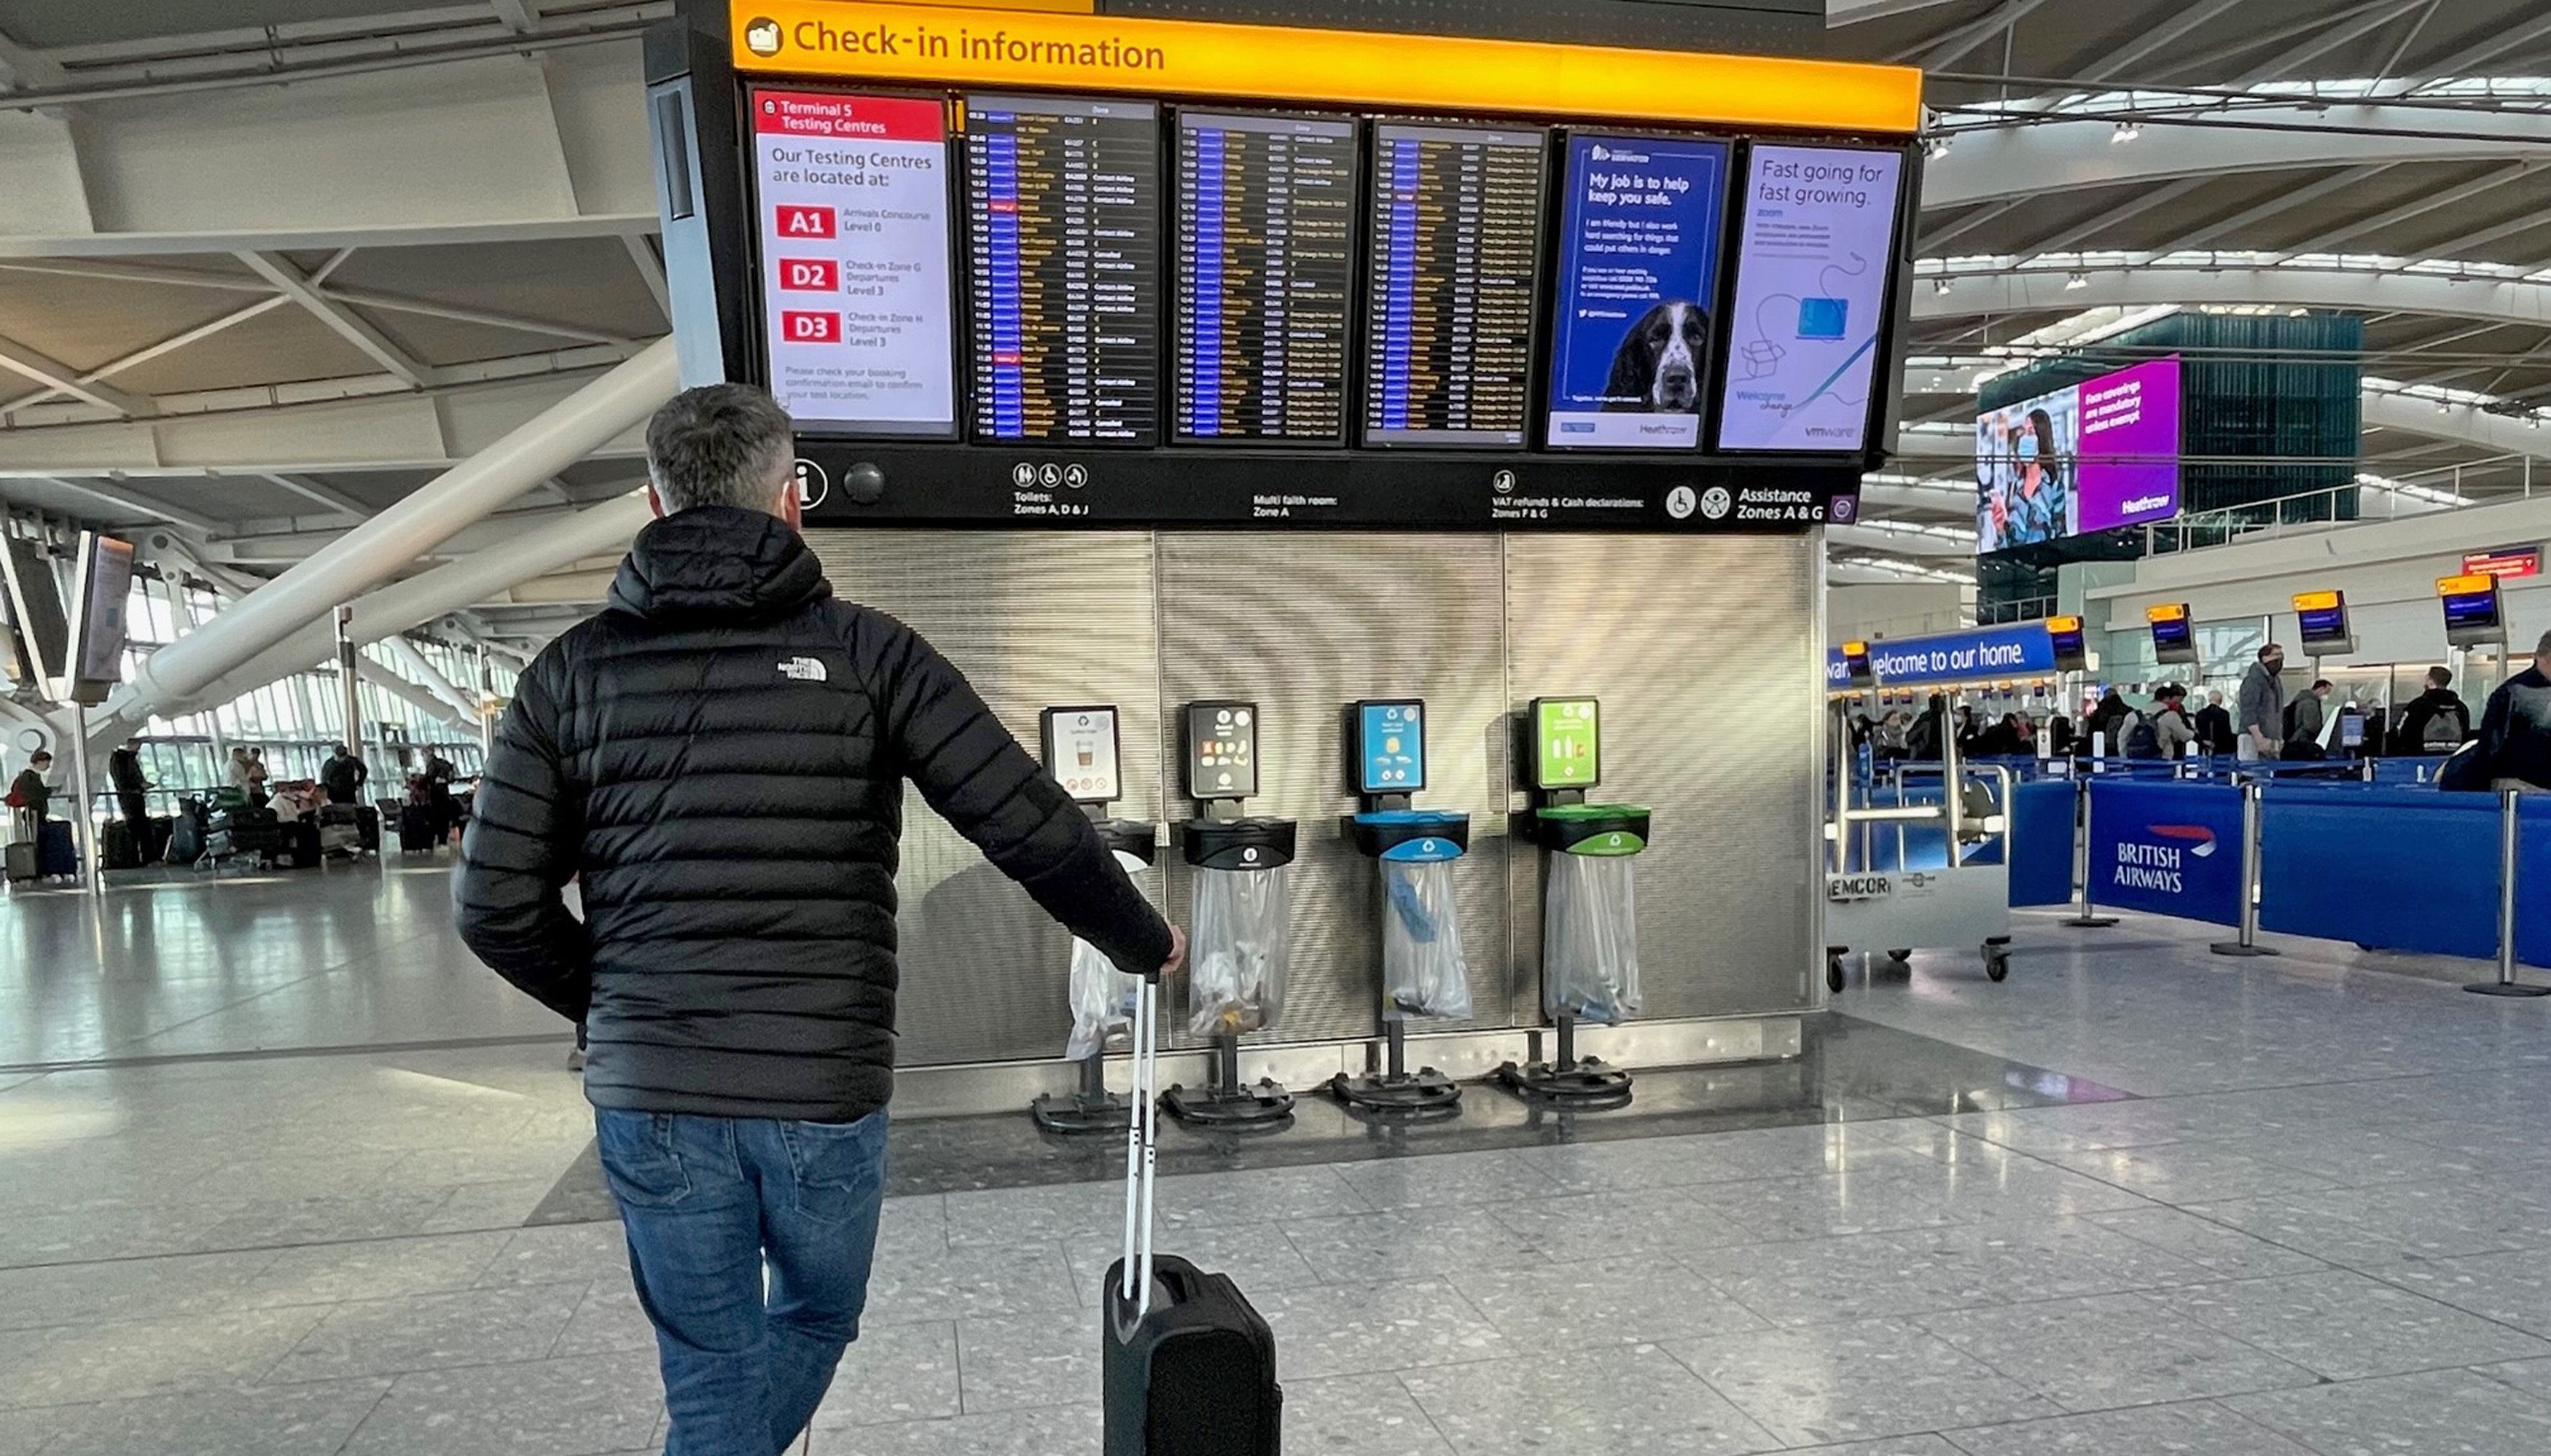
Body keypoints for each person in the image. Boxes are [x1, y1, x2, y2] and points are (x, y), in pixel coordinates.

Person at [453, 383, 1184, 1456]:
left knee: (709, 1370)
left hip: (653, 1089)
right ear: (792, 497)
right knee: (814, 1318)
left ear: (654, 504)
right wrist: (1140, 939)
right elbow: (1025, 819)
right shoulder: (870, 653)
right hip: (820, 1084)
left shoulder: (568, 673)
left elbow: (493, 904)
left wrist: (616, 1006)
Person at [2470, 631, 2551, 792]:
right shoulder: (2514, 693)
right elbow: (2493, 745)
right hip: (2521, 784)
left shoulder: (2511, 690)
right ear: (2547, 659)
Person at [2398, 667, 2471, 755]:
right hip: (2452, 757)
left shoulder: (2417, 706)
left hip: (2421, 757)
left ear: (2430, 681)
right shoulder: (2460, 707)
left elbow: (2402, 733)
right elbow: (2466, 734)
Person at [2237, 643, 2287, 764]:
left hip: (2271, 738)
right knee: (2251, 771)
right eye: (2275, 655)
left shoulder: (2276, 682)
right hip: (2252, 737)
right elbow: (2249, 710)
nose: (2279, 659)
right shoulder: (2253, 680)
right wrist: (2258, 738)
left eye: (2281, 655)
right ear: (2264, 658)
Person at [108, 738, 150, 848]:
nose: (138, 749)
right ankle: (135, 852)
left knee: (137, 826)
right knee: (135, 827)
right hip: (130, 797)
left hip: (133, 796)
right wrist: (139, 786)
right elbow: (122, 782)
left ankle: (136, 852)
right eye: (137, 746)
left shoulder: (126, 759)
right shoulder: (122, 760)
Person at [2284, 678, 2334, 761]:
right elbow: (2312, 726)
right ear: (2321, 689)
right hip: (2304, 742)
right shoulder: (2310, 703)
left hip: (2295, 739)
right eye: (2326, 692)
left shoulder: (2302, 700)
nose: (2327, 695)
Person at [320, 743, 369, 807]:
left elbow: (363, 770)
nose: (340, 759)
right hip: (334, 792)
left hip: (348, 791)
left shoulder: (351, 761)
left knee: (350, 807)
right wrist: (325, 790)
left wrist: (359, 782)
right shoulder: (329, 764)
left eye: (342, 757)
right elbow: (324, 778)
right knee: (336, 808)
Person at [2193, 690, 2235, 757]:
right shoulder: (2224, 714)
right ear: (2221, 701)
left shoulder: (2200, 714)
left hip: (2204, 748)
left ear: (2209, 700)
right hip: (2221, 750)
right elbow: (2227, 732)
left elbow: (2197, 731)